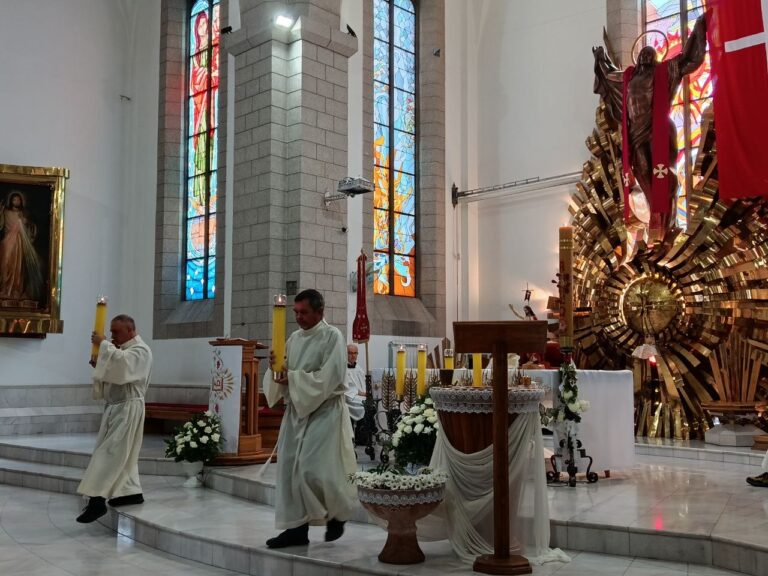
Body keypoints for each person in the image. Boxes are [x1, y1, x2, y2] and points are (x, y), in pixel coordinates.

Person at [593, 15, 706, 234]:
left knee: (661, 173)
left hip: (658, 130)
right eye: (642, 53)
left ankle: (662, 219)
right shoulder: (628, 77)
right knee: (642, 170)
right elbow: (608, 75)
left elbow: (688, 60)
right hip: (635, 133)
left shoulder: (665, 71)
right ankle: (657, 214)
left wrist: (699, 31)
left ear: (655, 58)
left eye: (649, 53)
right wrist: (600, 59)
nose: (645, 55)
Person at [263, 289, 357, 548]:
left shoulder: (332, 336)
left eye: (304, 312)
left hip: (325, 410)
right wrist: (276, 368)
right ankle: (296, 529)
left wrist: (292, 379)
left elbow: (331, 376)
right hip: (297, 411)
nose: (298, 317)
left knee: (312, 468)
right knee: (289, 470)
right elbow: (284, 373)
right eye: (295, 312)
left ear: (320, 311)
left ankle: (337, 514)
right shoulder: (293, 339)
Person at [76, 314, 153, 523]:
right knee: (123, 455)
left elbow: (123, 367)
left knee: (109, 453)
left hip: (128, 409)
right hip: (117, 408)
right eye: (110, 332)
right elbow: (117, 372)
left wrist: (103, 345)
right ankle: (129, 492)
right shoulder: (123, 350)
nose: (112, 336)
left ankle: (97, 501)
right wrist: (101, 366)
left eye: (116, 332)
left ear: (130, 330)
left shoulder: (141, 350)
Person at [0, 191, 44, 302]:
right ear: (11, 201)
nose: (16, 201)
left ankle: (16, 290)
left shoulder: (23, 213)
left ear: (21, 201)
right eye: (14, 199)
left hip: (20, 243)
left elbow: (30, 227)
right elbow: (1, 225)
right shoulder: (6, 212)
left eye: (18, 199)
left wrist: (25, 222)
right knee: (6, 265)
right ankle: (6, 288)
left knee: (19, 267)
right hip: (8, 242)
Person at [345, 343, 366, 422]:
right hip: (350, 396)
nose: (353, 356)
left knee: (371, 403)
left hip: (362, 395)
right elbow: (347, 387)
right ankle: (360, 425)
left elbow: (364, 382)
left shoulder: (358, 367)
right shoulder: (343, 368)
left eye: (355, 353)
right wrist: (361, 393)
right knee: (363, 405)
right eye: (350, 353)